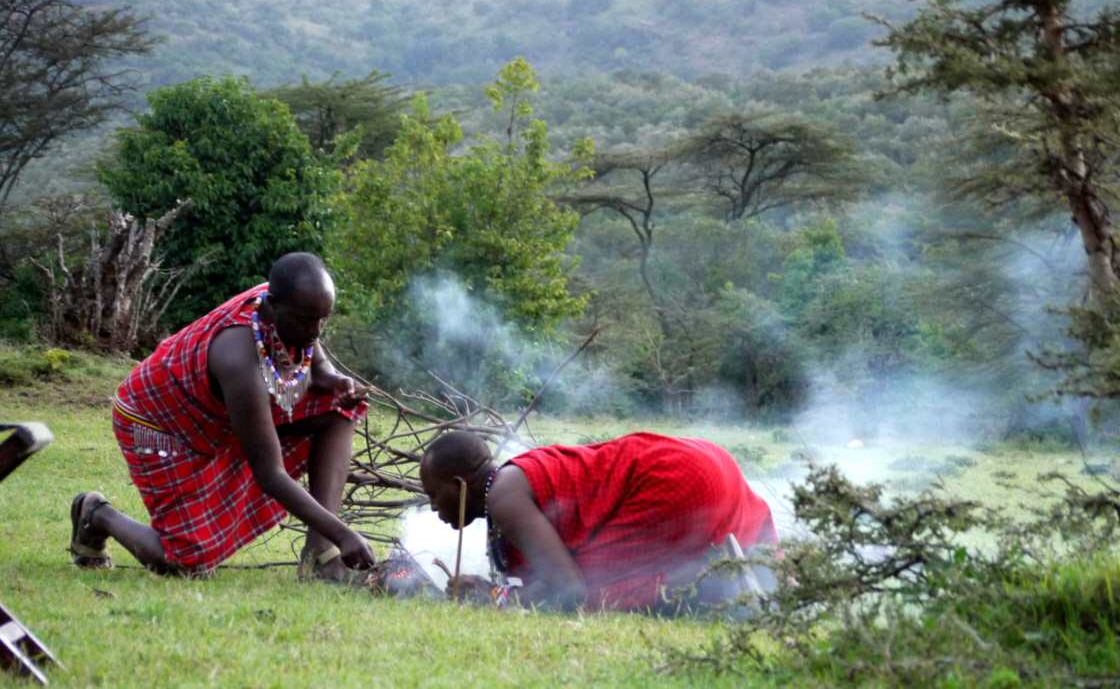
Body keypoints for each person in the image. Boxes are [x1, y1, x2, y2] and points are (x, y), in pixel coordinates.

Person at [68, 252, 376, 579]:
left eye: (323, 319)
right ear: (272, 305)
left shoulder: (292, 307)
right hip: (156, 424)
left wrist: (336, 382)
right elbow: (269, 474)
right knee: (188, 562)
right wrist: (345, 533)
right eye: (306, 320)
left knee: (339, 408)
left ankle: (320, 552)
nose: (315, 331)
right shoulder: (237, 355)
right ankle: (96, 513)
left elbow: (318, 366)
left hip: (218, 417)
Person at [419, 430, 777, 612]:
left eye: (433, 495)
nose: (434, 508)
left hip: (672, 478)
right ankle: (751, 574)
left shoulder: (502, 494)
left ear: (460, 486)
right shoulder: (510, 483)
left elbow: (567, 587)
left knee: (601, 590)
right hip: (706, 460)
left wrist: (494, 597)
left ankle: (726, 576)